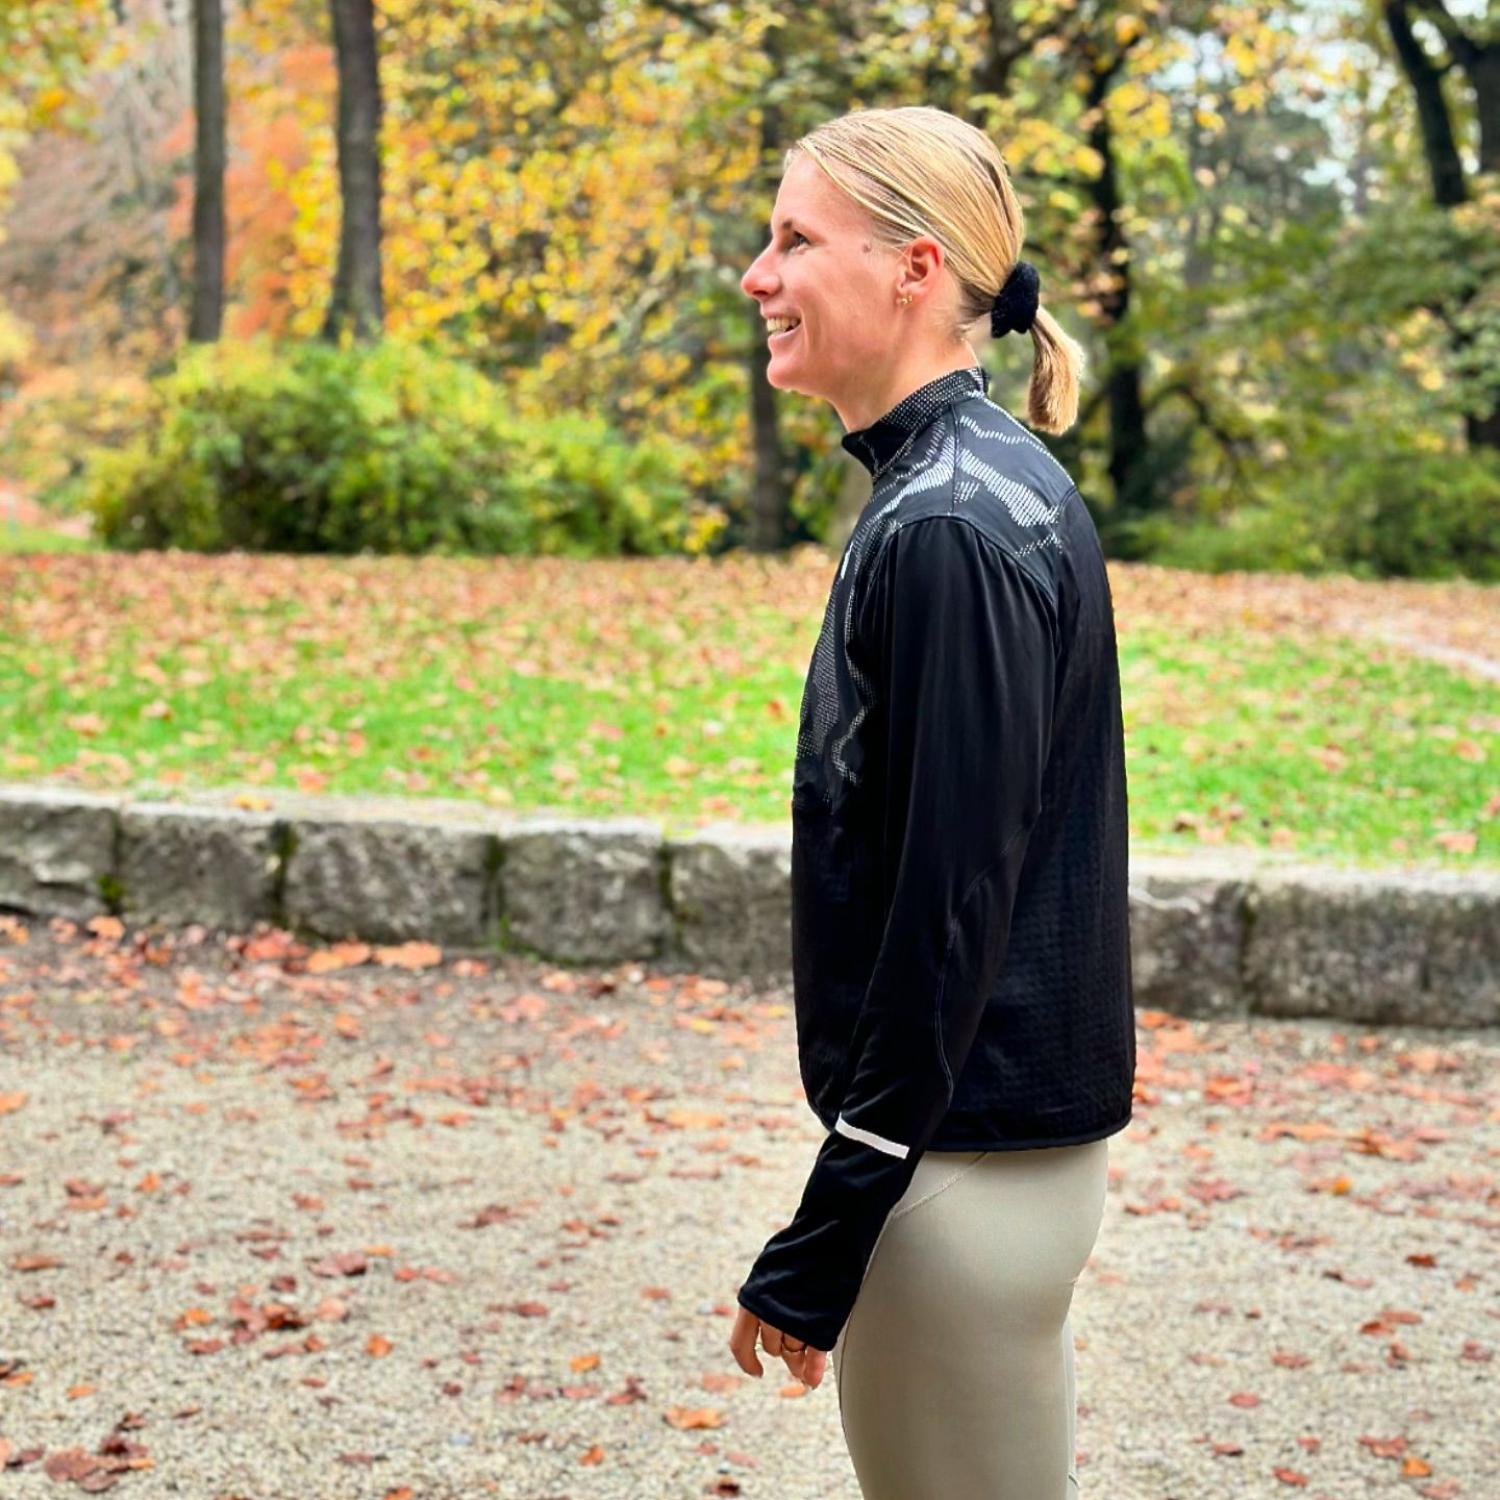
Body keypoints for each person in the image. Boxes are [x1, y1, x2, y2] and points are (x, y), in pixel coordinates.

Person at [726, 106, 1137, 1499]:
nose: (759, 275)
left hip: (957, 1176)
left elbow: (950, 911)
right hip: (982, 1165)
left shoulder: (952, 522)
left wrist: (834, 1218)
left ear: (914, 268)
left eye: (795, 239)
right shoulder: (972, 487)